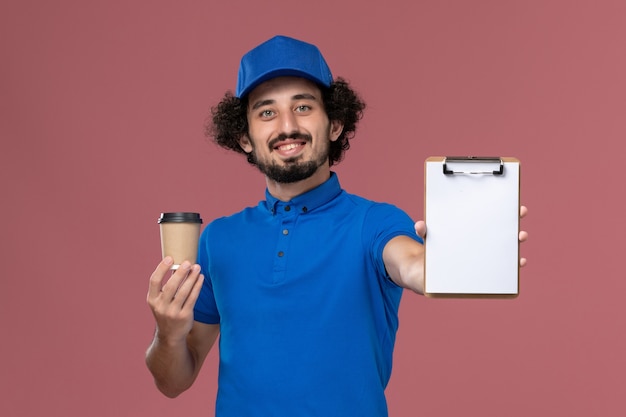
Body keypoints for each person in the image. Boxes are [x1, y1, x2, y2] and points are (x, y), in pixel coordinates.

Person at [146, 35, 529, 416]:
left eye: (303, 107)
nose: (287, 126)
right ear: (245, 137)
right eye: (267, 112)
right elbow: (174, 381)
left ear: (334, 125)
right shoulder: (218, 238)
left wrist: (462, 258)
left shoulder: (374, 222)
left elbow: (413, 264)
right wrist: (169, 333)